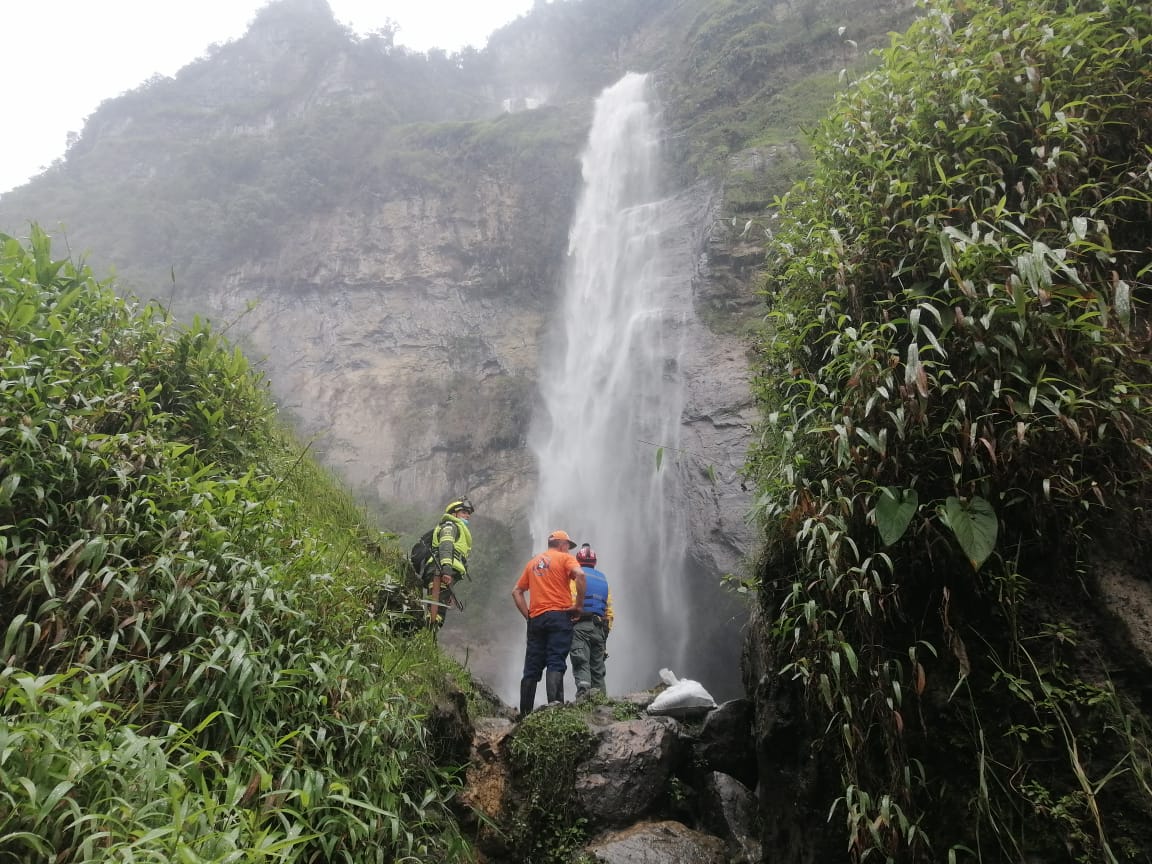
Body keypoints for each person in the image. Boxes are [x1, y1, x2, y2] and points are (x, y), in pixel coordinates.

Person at [512, 529, 586, 717]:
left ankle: (524, 715)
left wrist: (528, 616)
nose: (568, 550)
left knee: (532, 667)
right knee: (555, 661)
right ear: (563, 545)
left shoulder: (532, 563)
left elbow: (517, 592)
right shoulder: (564, 559)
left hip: (537, 619)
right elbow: (581, 575)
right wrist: (578, 606)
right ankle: (555, 712)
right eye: (568, 546)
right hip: (559, 616)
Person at [570, 543, 613, 698]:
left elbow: (572, 600)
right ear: (594, 562)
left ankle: (583, 699)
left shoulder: (576, 576)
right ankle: (602, 704)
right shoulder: (603, 580)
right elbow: (609, 611)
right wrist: (605, 634)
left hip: (581, 627)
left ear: (578, 560)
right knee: (598, 669)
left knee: (581, 662)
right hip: (599, 629)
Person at [426, 497, 474, 628]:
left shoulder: (458, 528)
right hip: (440, 571)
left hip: (444, 573)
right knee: (436, 611)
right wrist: (446, 570)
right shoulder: (450, 526)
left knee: (439, 609)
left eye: (469, 513)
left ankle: (429, 639)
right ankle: (427, 639)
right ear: (454, 514)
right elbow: (446, 545)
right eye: (464, 512)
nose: (467, 515)